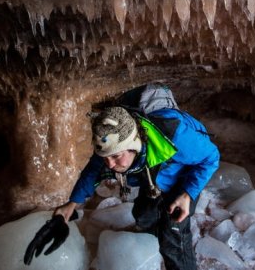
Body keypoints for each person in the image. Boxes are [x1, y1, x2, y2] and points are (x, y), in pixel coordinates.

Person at [53, 100, 220, 270]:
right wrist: (71, 204)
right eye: (106, 158)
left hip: (183, 176)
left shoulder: (175, 136)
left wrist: (187, 194)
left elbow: (211, 157)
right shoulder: (110, 144)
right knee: (143, 215)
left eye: (116, 157)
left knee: (173, 235)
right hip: (152, 174)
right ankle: (153, 249)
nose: (110, 165)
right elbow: (93, 171)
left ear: (133, 145)